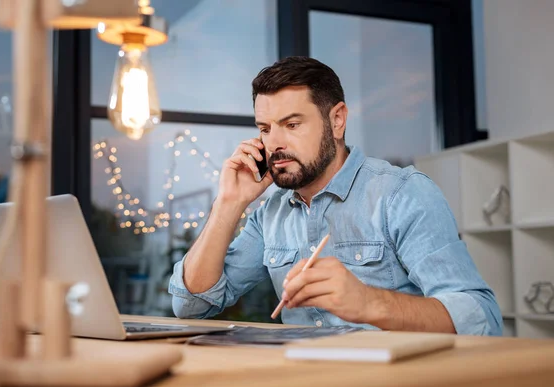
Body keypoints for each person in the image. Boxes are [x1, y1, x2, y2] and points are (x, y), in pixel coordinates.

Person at [168, 56, 502, 335]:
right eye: (266, 129)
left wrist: (369, 303)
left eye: (292, 124)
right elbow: (191, 304)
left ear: (337, 120)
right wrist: (229, 203)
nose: (274, 143)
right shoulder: (271, 213)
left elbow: (482, 318)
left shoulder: (401, 194)